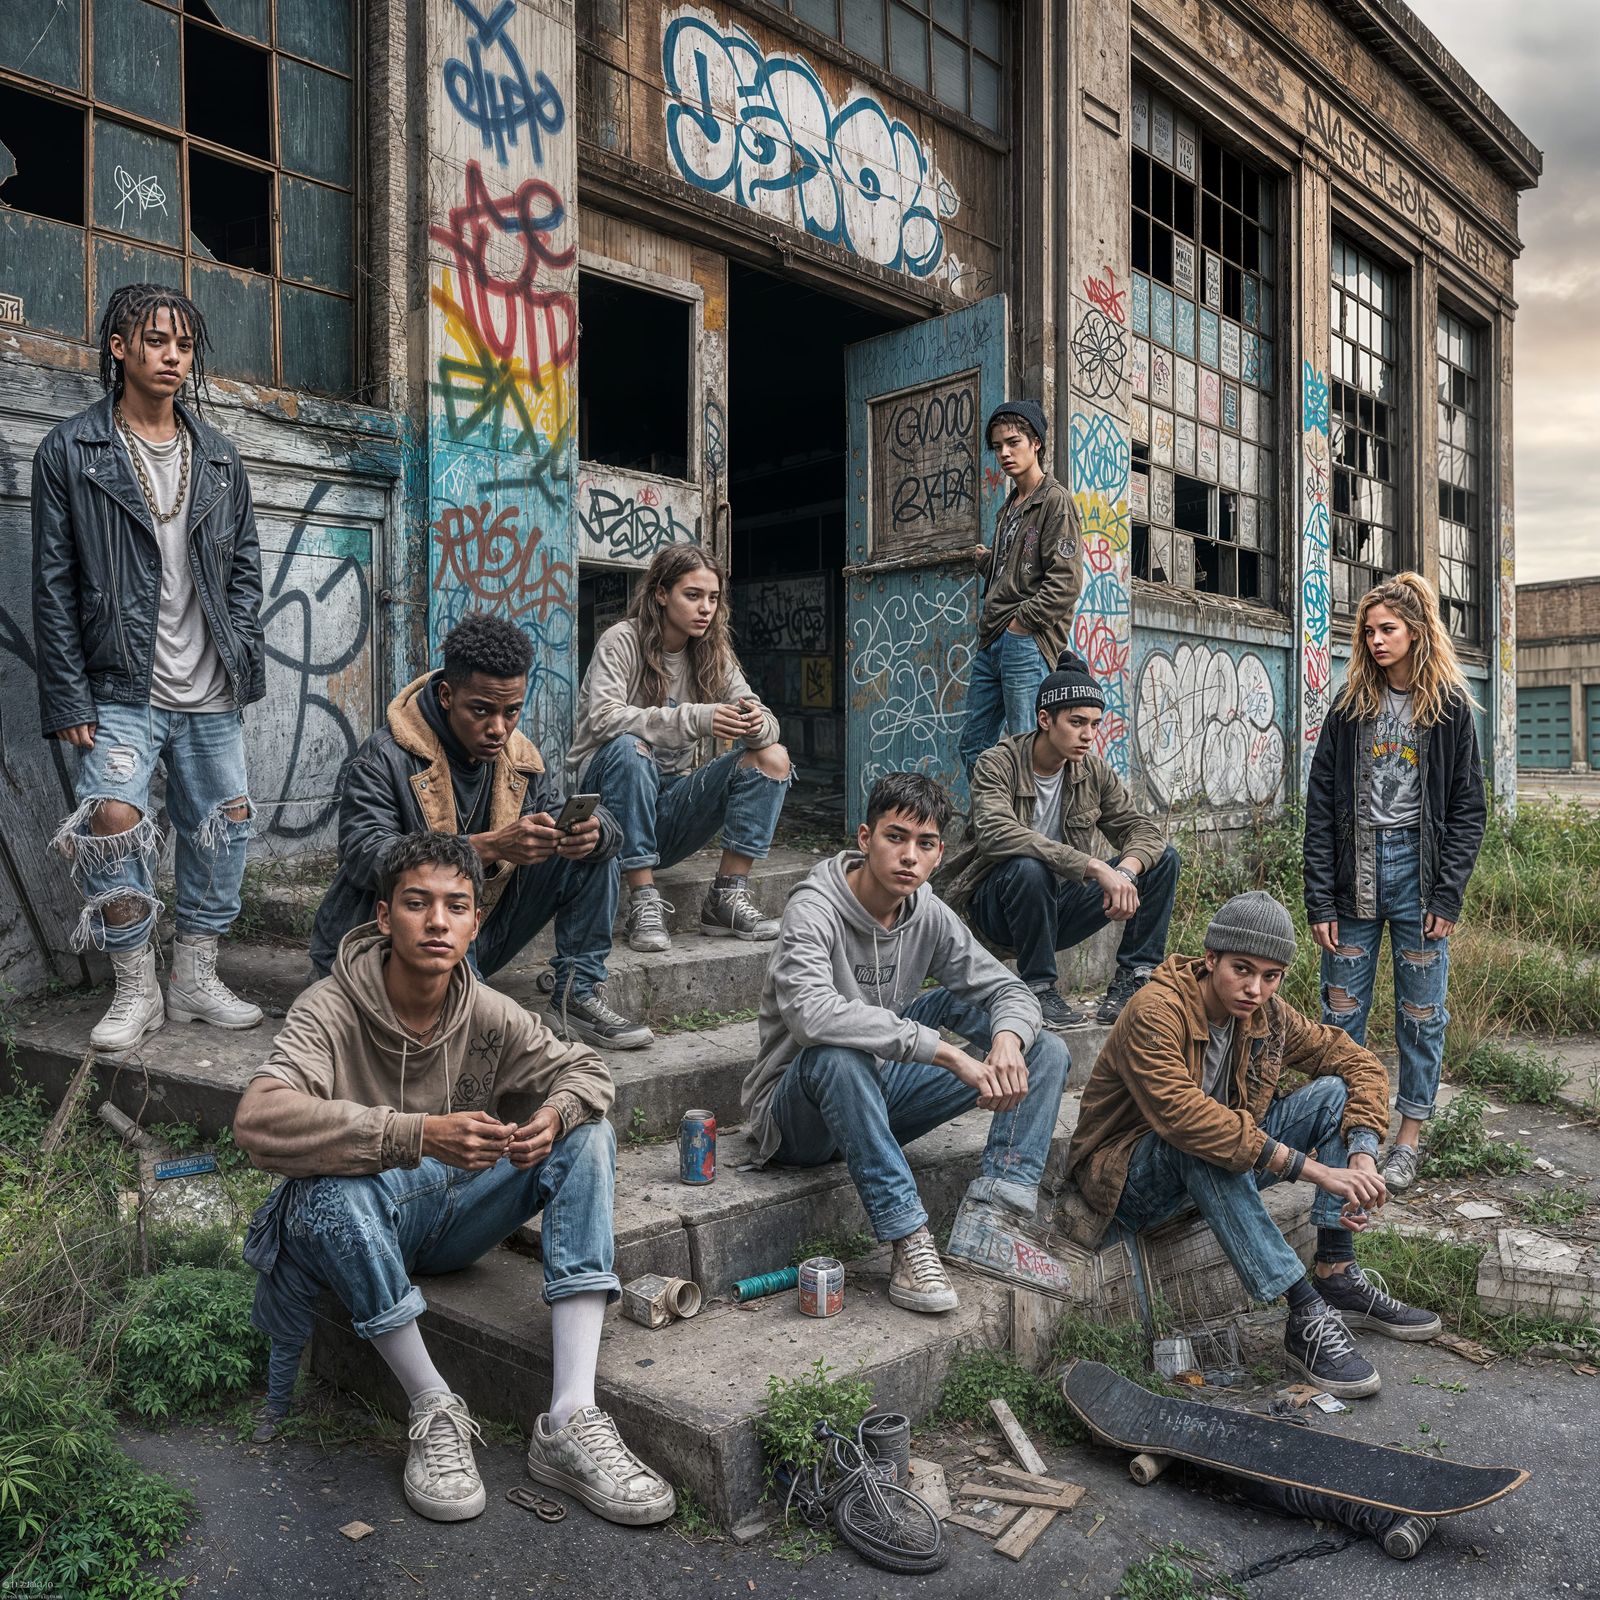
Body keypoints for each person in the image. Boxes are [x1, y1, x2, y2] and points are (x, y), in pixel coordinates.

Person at [235, 832, 674, 1526]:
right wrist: (415, 1134)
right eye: (417, 904)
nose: (437, 921)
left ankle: (569, 1418)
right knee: (325, 1191)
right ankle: (435, 1406)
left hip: (454, 1221)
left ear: (475, 923)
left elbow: (586, 1071)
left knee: (588, 1131)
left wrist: (555, 1116)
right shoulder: (329, 1007)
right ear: (384, 917)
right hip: (362, 1221)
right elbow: (258, 1120)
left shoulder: (489, 1010)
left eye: (456, 907)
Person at [1065, 891, 1441, 1398]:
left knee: (1332, 1092)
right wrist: (1315, 1171)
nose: (1254, 989)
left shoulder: (1267, 1015)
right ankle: (1304, 1308)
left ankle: (1335, 1270)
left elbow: (1358, 1061)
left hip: (1213, 1166)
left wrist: (1362, 1154)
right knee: (1204, 1138)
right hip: (1126, 1180)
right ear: (1210, 957)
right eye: (1241, 969)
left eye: (1270, 976)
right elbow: (1185, 1119)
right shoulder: (1156, 1010)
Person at [740, 772, 1069, 1316]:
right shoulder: (813, 909)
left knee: (1044, 1049)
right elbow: (810, 1016)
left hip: (879, 1089)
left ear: (939, 855)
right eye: (896, 837)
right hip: (797, 1113)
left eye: (926, 844)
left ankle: (998, 1214)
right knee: (837, 1055)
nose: (909, 856)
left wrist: (1007, 1041)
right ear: (865, 838)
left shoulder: (928, 914)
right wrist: (947, 1052)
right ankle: (909, 1238)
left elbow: (1009, 989)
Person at [32, 282, 265, 1051]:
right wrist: (68, 694)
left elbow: (244, 571)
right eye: (156, 340)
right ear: (119, 348)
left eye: (185, 344)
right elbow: (53, 582)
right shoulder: (70, 450)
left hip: (210, 686)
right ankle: (137, 987)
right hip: (119, 686)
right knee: (111, 823)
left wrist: (242, 652)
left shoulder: (222, 459)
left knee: (220, 831)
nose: (173, 356)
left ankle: (194, 979)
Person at [307, 613, 651, 1050]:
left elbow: (594, 830)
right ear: (447, 695)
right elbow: (364, 855)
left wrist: (594, 833)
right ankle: (466, 1001)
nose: (498, 728)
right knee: (449, 897)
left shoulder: (519, 756)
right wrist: (486, 847)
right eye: (482, 710)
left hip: (479, 930)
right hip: (385, 944)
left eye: (512, 712)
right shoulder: (385, 756)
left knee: (593, 855)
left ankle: (575, 994)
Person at [1304, 573, 1487, 1192]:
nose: (1375, 640)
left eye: (1388, 629)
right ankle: (1352, 1134)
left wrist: (1447, 894)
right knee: (1341, 1013)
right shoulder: (1350, 709)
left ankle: (1406, 1139)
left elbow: (1467, 809)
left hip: (1420, 873)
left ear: (1416, 633)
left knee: (1420, 1012)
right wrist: (1320, 898)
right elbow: (1321, 805)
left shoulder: (1451, 710)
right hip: (1355, 872)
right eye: (1368, 630)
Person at [567, 545, 791, 957]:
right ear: (660, 594)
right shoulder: (623, 640)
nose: (705, 608)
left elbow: (762, 715)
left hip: (668, 812)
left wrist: (757, 724)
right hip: (607, 817)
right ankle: (643, 898)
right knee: (630, 749)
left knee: (772, 757)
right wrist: (697, 718)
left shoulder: (710, 652)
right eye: (692, 595)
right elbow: (601, 719)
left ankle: (725, 897)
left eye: (713, 597)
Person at [941, 651, 1181, 1029]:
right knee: (1028, 864)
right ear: (1045, 720)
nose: (1088, 735)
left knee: (1163, 858)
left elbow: (1143, 830)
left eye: (1095, 724)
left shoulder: (1093, 771)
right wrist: (1095, 866)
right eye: (1076, 722)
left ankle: (1133, 980)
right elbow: (995, 833)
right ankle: (1037, 987)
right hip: (999, 908)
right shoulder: (997, 763)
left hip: (1060, 908)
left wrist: (1128, 873)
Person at [956, 400, 1081, 788]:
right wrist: (989, 561)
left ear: (1036, 443)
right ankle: (999, 826)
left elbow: (1065, 583)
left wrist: (1021, 625)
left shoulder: (1054, 501)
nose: (1005, 453)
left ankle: (1030, 841)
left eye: (1013, 442)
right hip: (992, 640)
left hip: (1024, 643)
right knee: (973, 744)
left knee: (1029, 747)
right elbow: (1022, 568)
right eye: (997, 447)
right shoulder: (1009, 507)